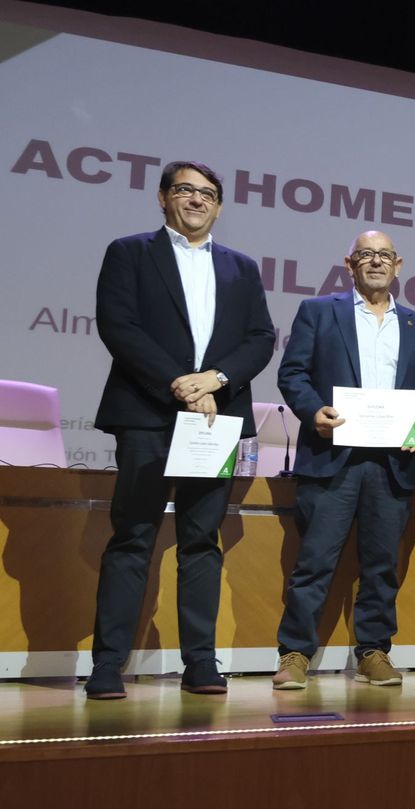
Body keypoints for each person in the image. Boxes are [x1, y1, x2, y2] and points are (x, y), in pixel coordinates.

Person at [86, 160, 276, 700]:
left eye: (208, 193)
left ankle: (200, 662)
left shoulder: (241, 267)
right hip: (148, 414)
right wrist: (178, 384)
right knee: (132, 537)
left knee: (201, 541)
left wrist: (214, 380)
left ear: (218, 205)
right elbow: (117, 325)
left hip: (214, 417)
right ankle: (107, 663)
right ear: (163, 197)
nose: (197, 200)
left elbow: (260, 338)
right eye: (186, 190)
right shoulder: (130, 252)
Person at [271, 230, 415, 690]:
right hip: (333, 457)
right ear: (349, 264)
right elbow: (292, 374)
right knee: (314, 562)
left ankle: (373, 651)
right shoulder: (318, 312)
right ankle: (294, 654)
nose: (375, 262)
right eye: (366, 255)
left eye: (383, 256)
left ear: (398, 265)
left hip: (392, 462)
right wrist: (313, 412)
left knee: (382, 565)